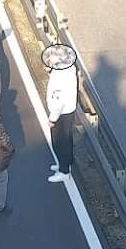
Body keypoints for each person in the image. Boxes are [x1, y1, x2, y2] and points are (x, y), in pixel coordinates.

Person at [44, 47, 79, 183]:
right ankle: (66, 163)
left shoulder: (59, 76)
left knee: (59, 142)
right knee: (67, 138)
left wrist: (52, 119)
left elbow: (58, 101)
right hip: (69, 109)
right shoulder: (70, 69)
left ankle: (64, 171)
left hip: (61, 114)